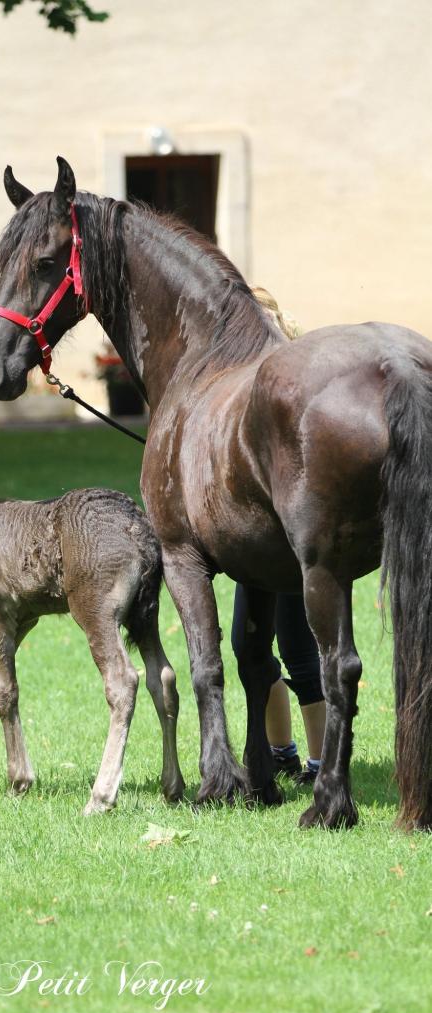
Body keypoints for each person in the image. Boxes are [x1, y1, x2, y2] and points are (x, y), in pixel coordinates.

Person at [230, 288, 326, 785]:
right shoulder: (243, 394)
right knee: (248, 647)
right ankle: (281, 751)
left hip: (294, 541)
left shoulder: (295, 392)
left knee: (300, 651)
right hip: (257, 541)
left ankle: (321, 762)